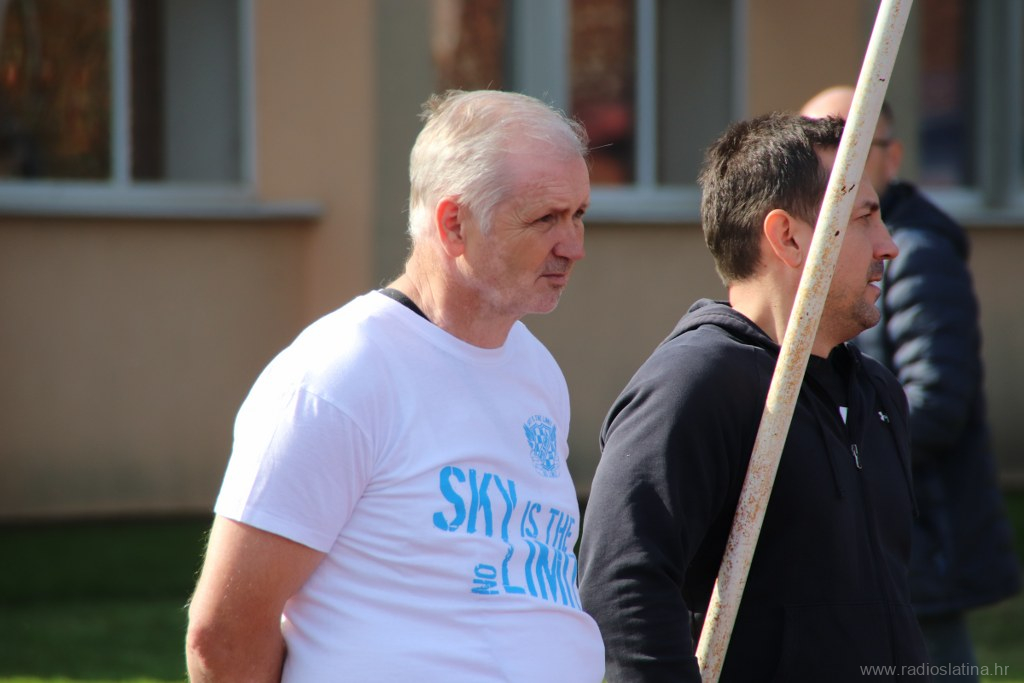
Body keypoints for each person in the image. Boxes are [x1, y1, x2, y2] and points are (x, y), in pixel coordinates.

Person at [185, 89, 605, 682]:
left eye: (579, 214)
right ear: (454, 225)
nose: (574, 247)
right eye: (545, 219)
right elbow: (223, 636)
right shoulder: (341, 373)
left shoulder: (538, 372)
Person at [578, 112, 931, 682]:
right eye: (865, 218)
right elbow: (622, 586)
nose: (888, 245)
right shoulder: (697, 384)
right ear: (787, 237)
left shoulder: (878, 395)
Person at [801, 85, 1021, 681]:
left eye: (851, 142)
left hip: (922, 542)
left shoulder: (916, 254)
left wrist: (830, 460)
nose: (831, 160)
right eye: (813, 144)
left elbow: (937, 404)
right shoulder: (819, 253)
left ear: (891, 157)